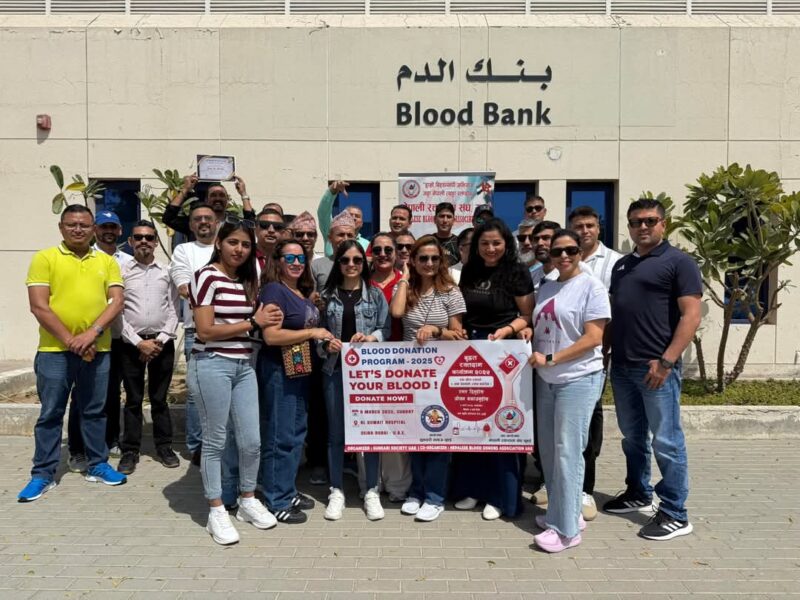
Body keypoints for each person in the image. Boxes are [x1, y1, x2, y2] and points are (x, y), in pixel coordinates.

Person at [604, 199, 702, 541]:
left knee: (667, 441)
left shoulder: (679, 262)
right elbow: (616, 313)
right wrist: (605, 352)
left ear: (664, 224)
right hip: (623, 365)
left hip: (656, 367)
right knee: (633, 437)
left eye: (649, 221)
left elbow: (691, 315)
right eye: (635, 222)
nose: (642, 227)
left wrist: (667, 361)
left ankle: (675, 512)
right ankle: (638, 492)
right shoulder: (623, 265)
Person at [19, 205, 127, 502]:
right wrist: (72, 340)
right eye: (71, 224)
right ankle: (43, 474)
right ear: (61, 227)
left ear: (93, 229)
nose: (78, 229)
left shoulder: (106, 261)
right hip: (54, 351)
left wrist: (91, 333)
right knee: (51, 414)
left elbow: (117, 301)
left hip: (98, 349)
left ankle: (97, 464)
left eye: (84, 225)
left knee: (94, 411)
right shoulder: (45, 258)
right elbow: (39, 306)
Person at [188, 220, 279, 545]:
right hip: (212, 363)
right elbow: (205, 330)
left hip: (244, 366)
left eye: (245, 244)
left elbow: (254, 324)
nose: (239, 249)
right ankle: (216, 509)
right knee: (215, 441)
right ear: (219, 243)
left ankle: (247, 499)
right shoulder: (205, 276)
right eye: (233, 242)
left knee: (251, 440)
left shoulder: (246, 281)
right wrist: (252, 321)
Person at [528, 229, 610, 553]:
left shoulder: (592, 286)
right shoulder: (547, 286)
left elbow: (594, 338)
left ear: (580, 252)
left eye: (570, 250)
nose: (563, 256)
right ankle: (562, 513)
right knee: (549, 451)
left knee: (568, 452)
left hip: (577, 378)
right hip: (546, 378)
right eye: (557, 251)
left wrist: (551, 358)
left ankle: (566, 531)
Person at [452, 218, 534, 521]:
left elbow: (527, 315)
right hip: (473, 352)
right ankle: (473, 489)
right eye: (484, 243)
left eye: (496, 243)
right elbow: (461, 310)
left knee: (503, 427)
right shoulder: (470, 270)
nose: (490, 248)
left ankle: (502, 496)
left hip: (504, 351)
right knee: (472, 421)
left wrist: (507, 330)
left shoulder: (517, 270)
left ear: (506, 244)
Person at [390, 236, 467, 522]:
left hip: (441, 372)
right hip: (411, 374)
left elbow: (458, 335)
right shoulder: (406, 287)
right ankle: (417, 491)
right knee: (414, 435)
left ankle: (435, 497)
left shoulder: (450, 291)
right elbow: (397, 312)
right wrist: (404, 277)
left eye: (435, 258)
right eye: (423, 258)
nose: (429, 263)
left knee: (436, 434)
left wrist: (436, 330)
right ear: (413, 260)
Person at [259, 239, 333, 524]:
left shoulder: (300, 292)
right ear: (278, 261)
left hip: (300, 370)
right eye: (290, 258)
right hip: (279, 372)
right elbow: (271, 336)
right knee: (280, 437)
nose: (296, 263)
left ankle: (287, 490)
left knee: (295, 434)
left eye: (301, 258)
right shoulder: (274, 290)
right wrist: (313, 333)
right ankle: (275, 499)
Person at [319, 240, 390, 520]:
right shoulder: (326, 296)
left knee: (369, 433)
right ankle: (336, 490)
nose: (351, 265)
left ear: (364, 263)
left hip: (367, 375)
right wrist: (326, 344)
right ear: (337, 263)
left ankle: (371, 489)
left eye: (357, 260)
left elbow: (385, 328)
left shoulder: (375, 294)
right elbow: (317, 331)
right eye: (345, 260)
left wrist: (371, 337)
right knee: (336, 434)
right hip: (334, 371)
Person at [66, 209, 133, 471]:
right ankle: (77, 449)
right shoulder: (83, 257)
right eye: (103, 227)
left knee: (111, 393)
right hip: (88, 340)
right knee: (81, 396)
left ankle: (110, 439)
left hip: (119, 337)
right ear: (96, 230)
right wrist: (88, 334)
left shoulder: (127, 261)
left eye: (112, 227)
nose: (108, 231)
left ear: (119, 230)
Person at [568, 205, 624, 521]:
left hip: (595, 355)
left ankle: (585, 488)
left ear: (598, 228)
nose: (584, 231)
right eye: (579, 226)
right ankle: (555, 483)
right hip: (561, 361)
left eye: (589, 225)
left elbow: (615, 311)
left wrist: (605, 350)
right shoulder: (560, 263)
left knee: (589, 421)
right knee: (564, 427)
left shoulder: (614, 263)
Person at [117, 220, 180, 475]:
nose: (144, 241)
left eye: (149, 237)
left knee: (159, 399)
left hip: (161, 344)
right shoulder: (121, 272)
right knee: (132, 400)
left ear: (155, 242)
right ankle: (130, 451)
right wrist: (138, 342)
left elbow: (174, 309)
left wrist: (160, 340)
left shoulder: (166, 272)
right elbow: (117, 311)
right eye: (139, 237)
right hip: (131, 345)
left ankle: (164, 447)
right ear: (131, 241)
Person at [169, 202, 217, 466]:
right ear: (191, 224)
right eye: (198, 218)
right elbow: (184, 286)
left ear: (216, 222)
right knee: (196, 391)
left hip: (232, 331)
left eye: (208, 218)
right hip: (196, 330)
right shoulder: (184, 250)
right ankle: (196, 446)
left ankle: (218, 443)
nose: (203, 222)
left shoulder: (227, 248)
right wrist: (222, 301)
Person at [368, 232, 411, 501]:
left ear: (396, 254)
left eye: (388, 250)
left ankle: (397, 485)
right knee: (368, 423)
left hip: (400, 362)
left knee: (396, 424)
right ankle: (370, 482)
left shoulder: (406, 281)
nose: (383, 255)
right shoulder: (361, 280)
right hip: (366, 365)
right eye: (377, 250)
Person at [165, 174, 255, 236]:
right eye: (213, 195)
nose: (218, 198)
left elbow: (251, 224)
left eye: (222, 195)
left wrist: (243, 194)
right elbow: (169, 218)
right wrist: (185, 190)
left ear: (227, 200)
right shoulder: (196, 223)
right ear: (206, 200)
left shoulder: (234, 222)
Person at [318, 181, 369, 255]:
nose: (353, 218)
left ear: (361, 223)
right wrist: (332, 191)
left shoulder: (367, 244)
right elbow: (323, 213)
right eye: (350, 215)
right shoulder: (331, 231)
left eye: (357, 216)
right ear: (330, 238)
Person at [312, 211, 357, 291]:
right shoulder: (317, 265)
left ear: (355, 239)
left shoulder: (362, 265)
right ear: (330, 238)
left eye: (349, 235)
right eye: (341, 235)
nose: (345, 239)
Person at [530, 221, 562, 292]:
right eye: (536, 239)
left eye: (546, 238)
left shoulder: (571, 275)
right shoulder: (531, 278)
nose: (540, 243)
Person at [433, 202, 459, 266]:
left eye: (449, 217)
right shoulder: (427, 241)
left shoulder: (459, 243)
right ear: (435, 219)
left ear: (453, 220)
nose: (445, 220)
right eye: (442, 216)